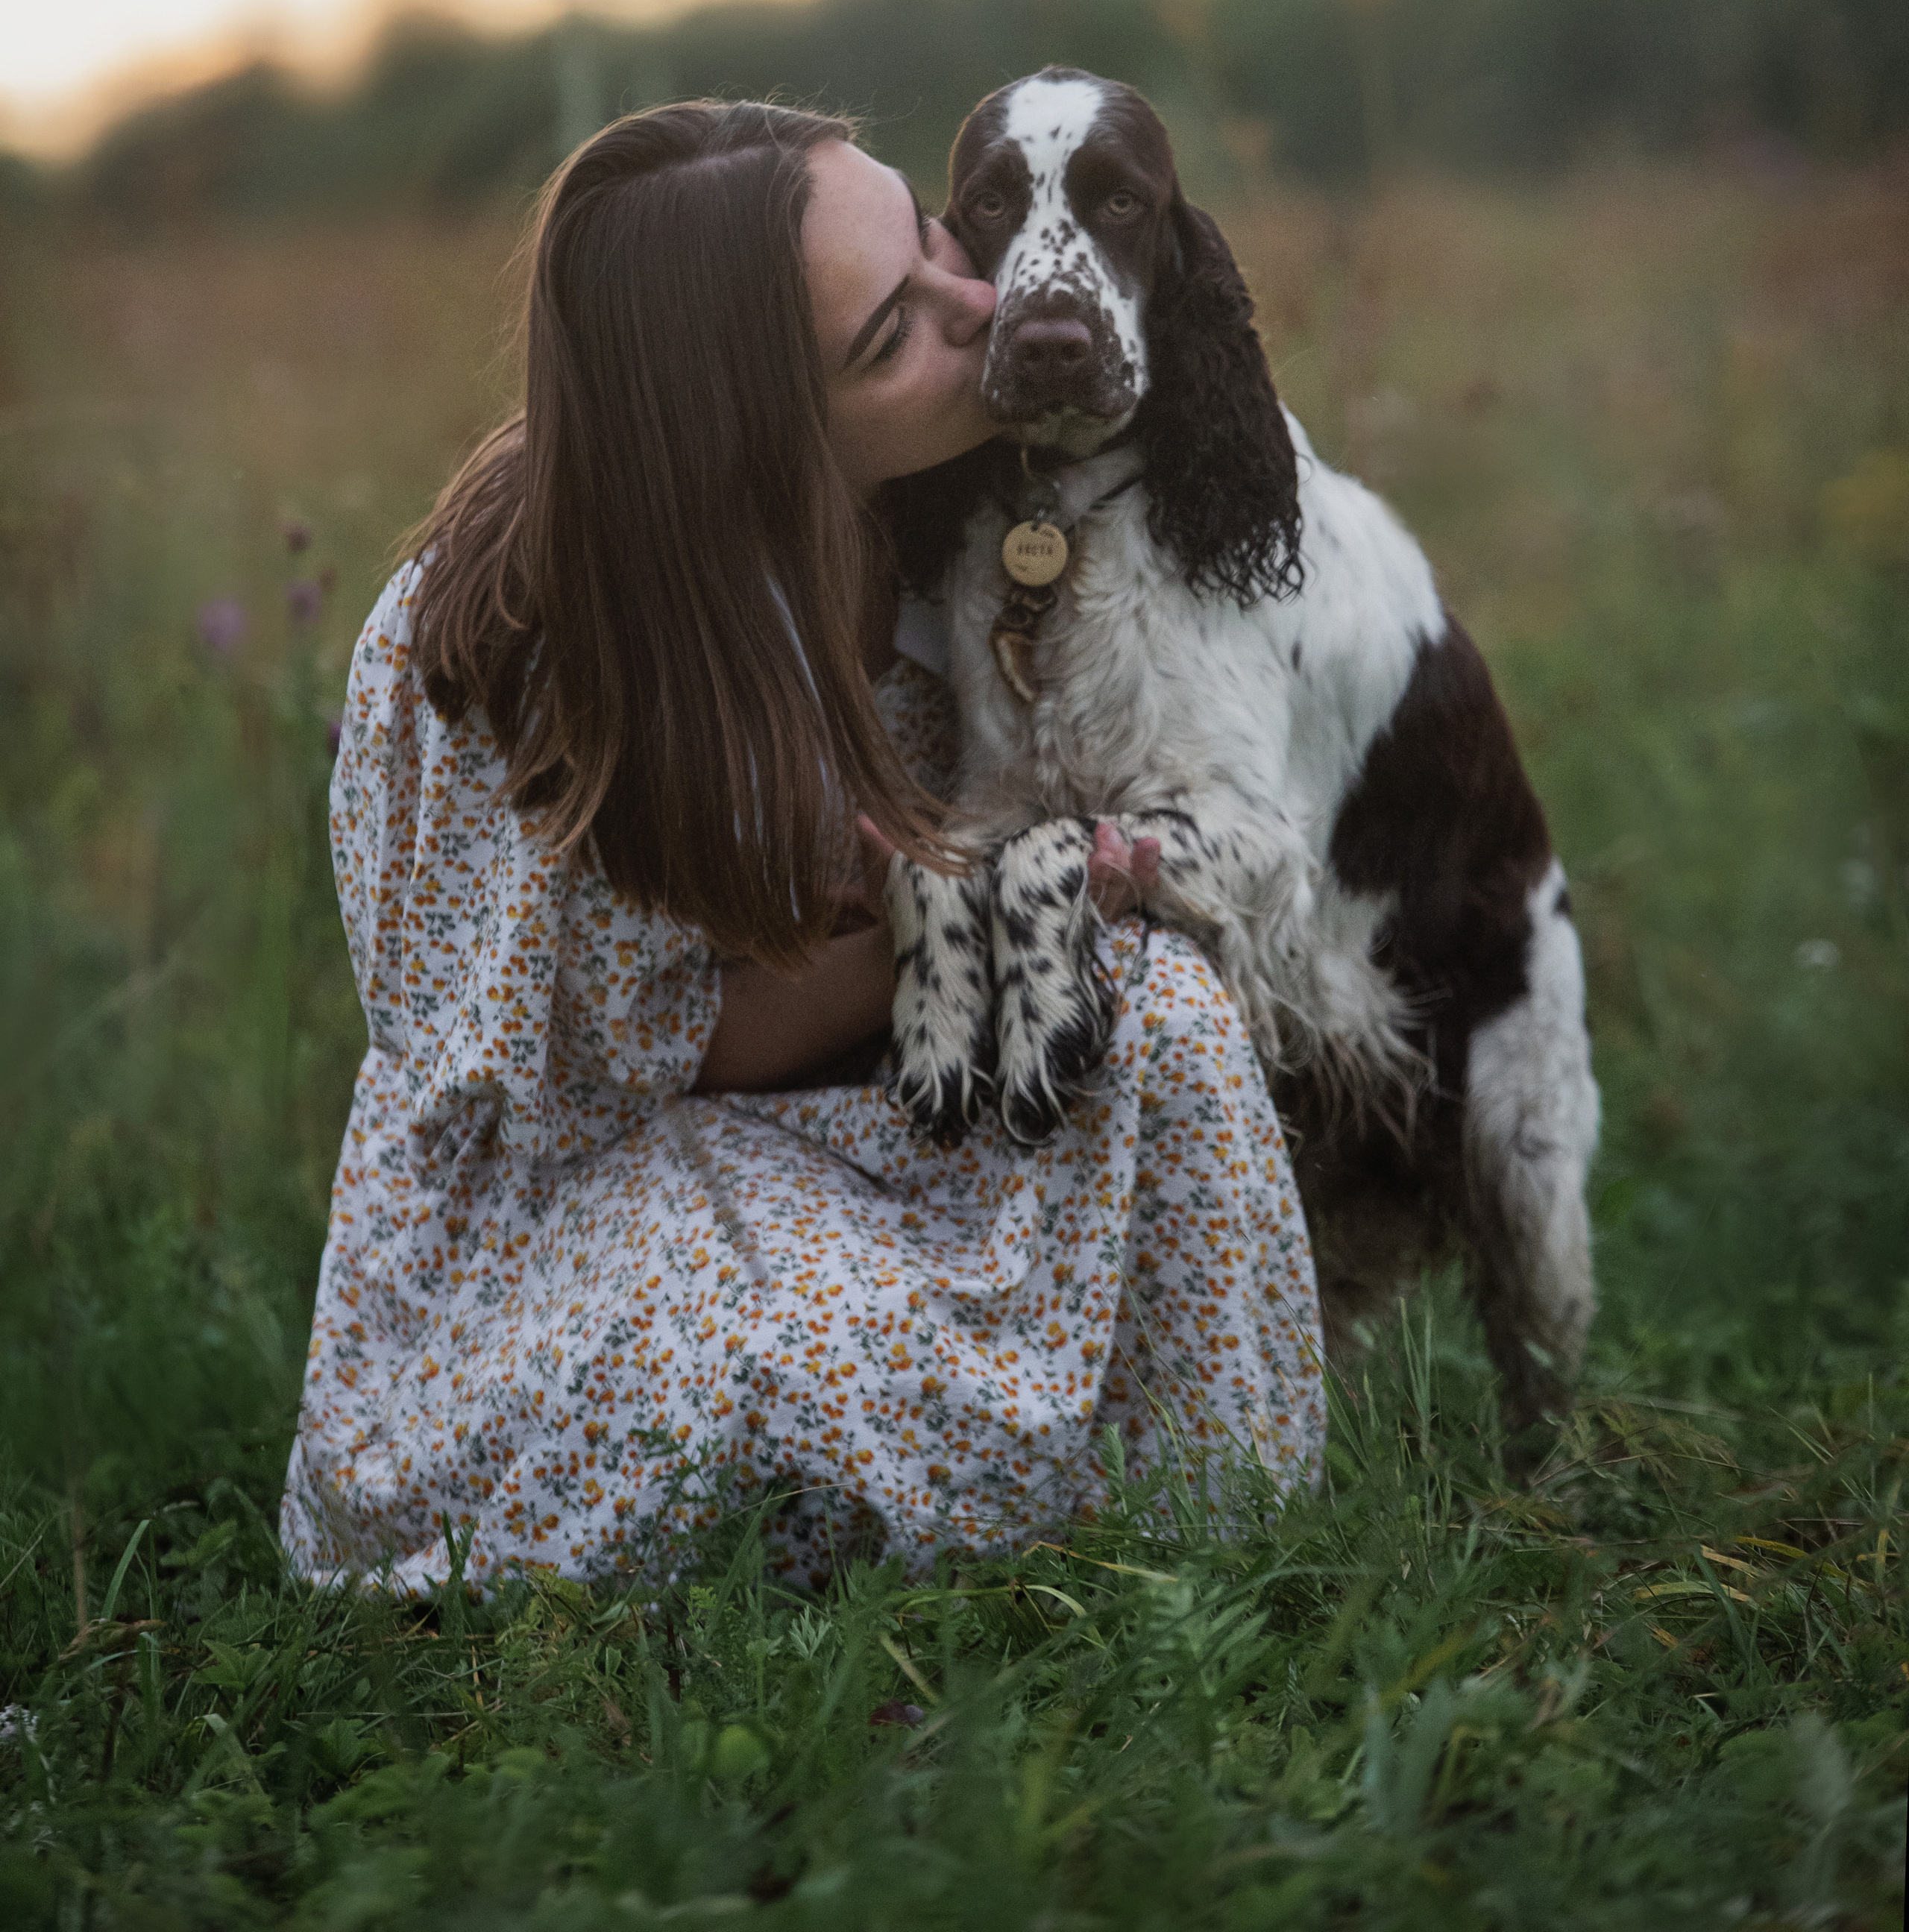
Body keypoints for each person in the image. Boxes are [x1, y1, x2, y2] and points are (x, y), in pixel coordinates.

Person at [282, 101, 1324, 1593]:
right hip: (592, 1186)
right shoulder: (530, 633)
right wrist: (935, 911)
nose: (981, 306)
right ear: (755, 435)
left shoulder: (952, 499)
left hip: (853, 1104)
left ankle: (1198, 1542)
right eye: (890, 337)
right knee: (740, 1351)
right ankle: (855, 1529)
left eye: (928, 240)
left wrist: (1017, 899)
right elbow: (642, 1057)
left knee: (1156, 1015)